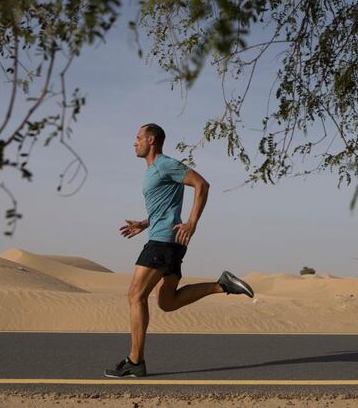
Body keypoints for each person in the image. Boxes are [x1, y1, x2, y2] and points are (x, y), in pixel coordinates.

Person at [105, 123, 254, 378]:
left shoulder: (165, 164)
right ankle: (222, 285)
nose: (134, 142)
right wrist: (143, 223)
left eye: (138, 138)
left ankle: (134, 361)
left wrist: (192, 223)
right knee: (167, 302)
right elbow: (163, 208)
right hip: (166, 240)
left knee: (135, 296)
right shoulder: (154, 170)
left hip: (163, 242)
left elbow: (202, 185)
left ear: (151, 140)